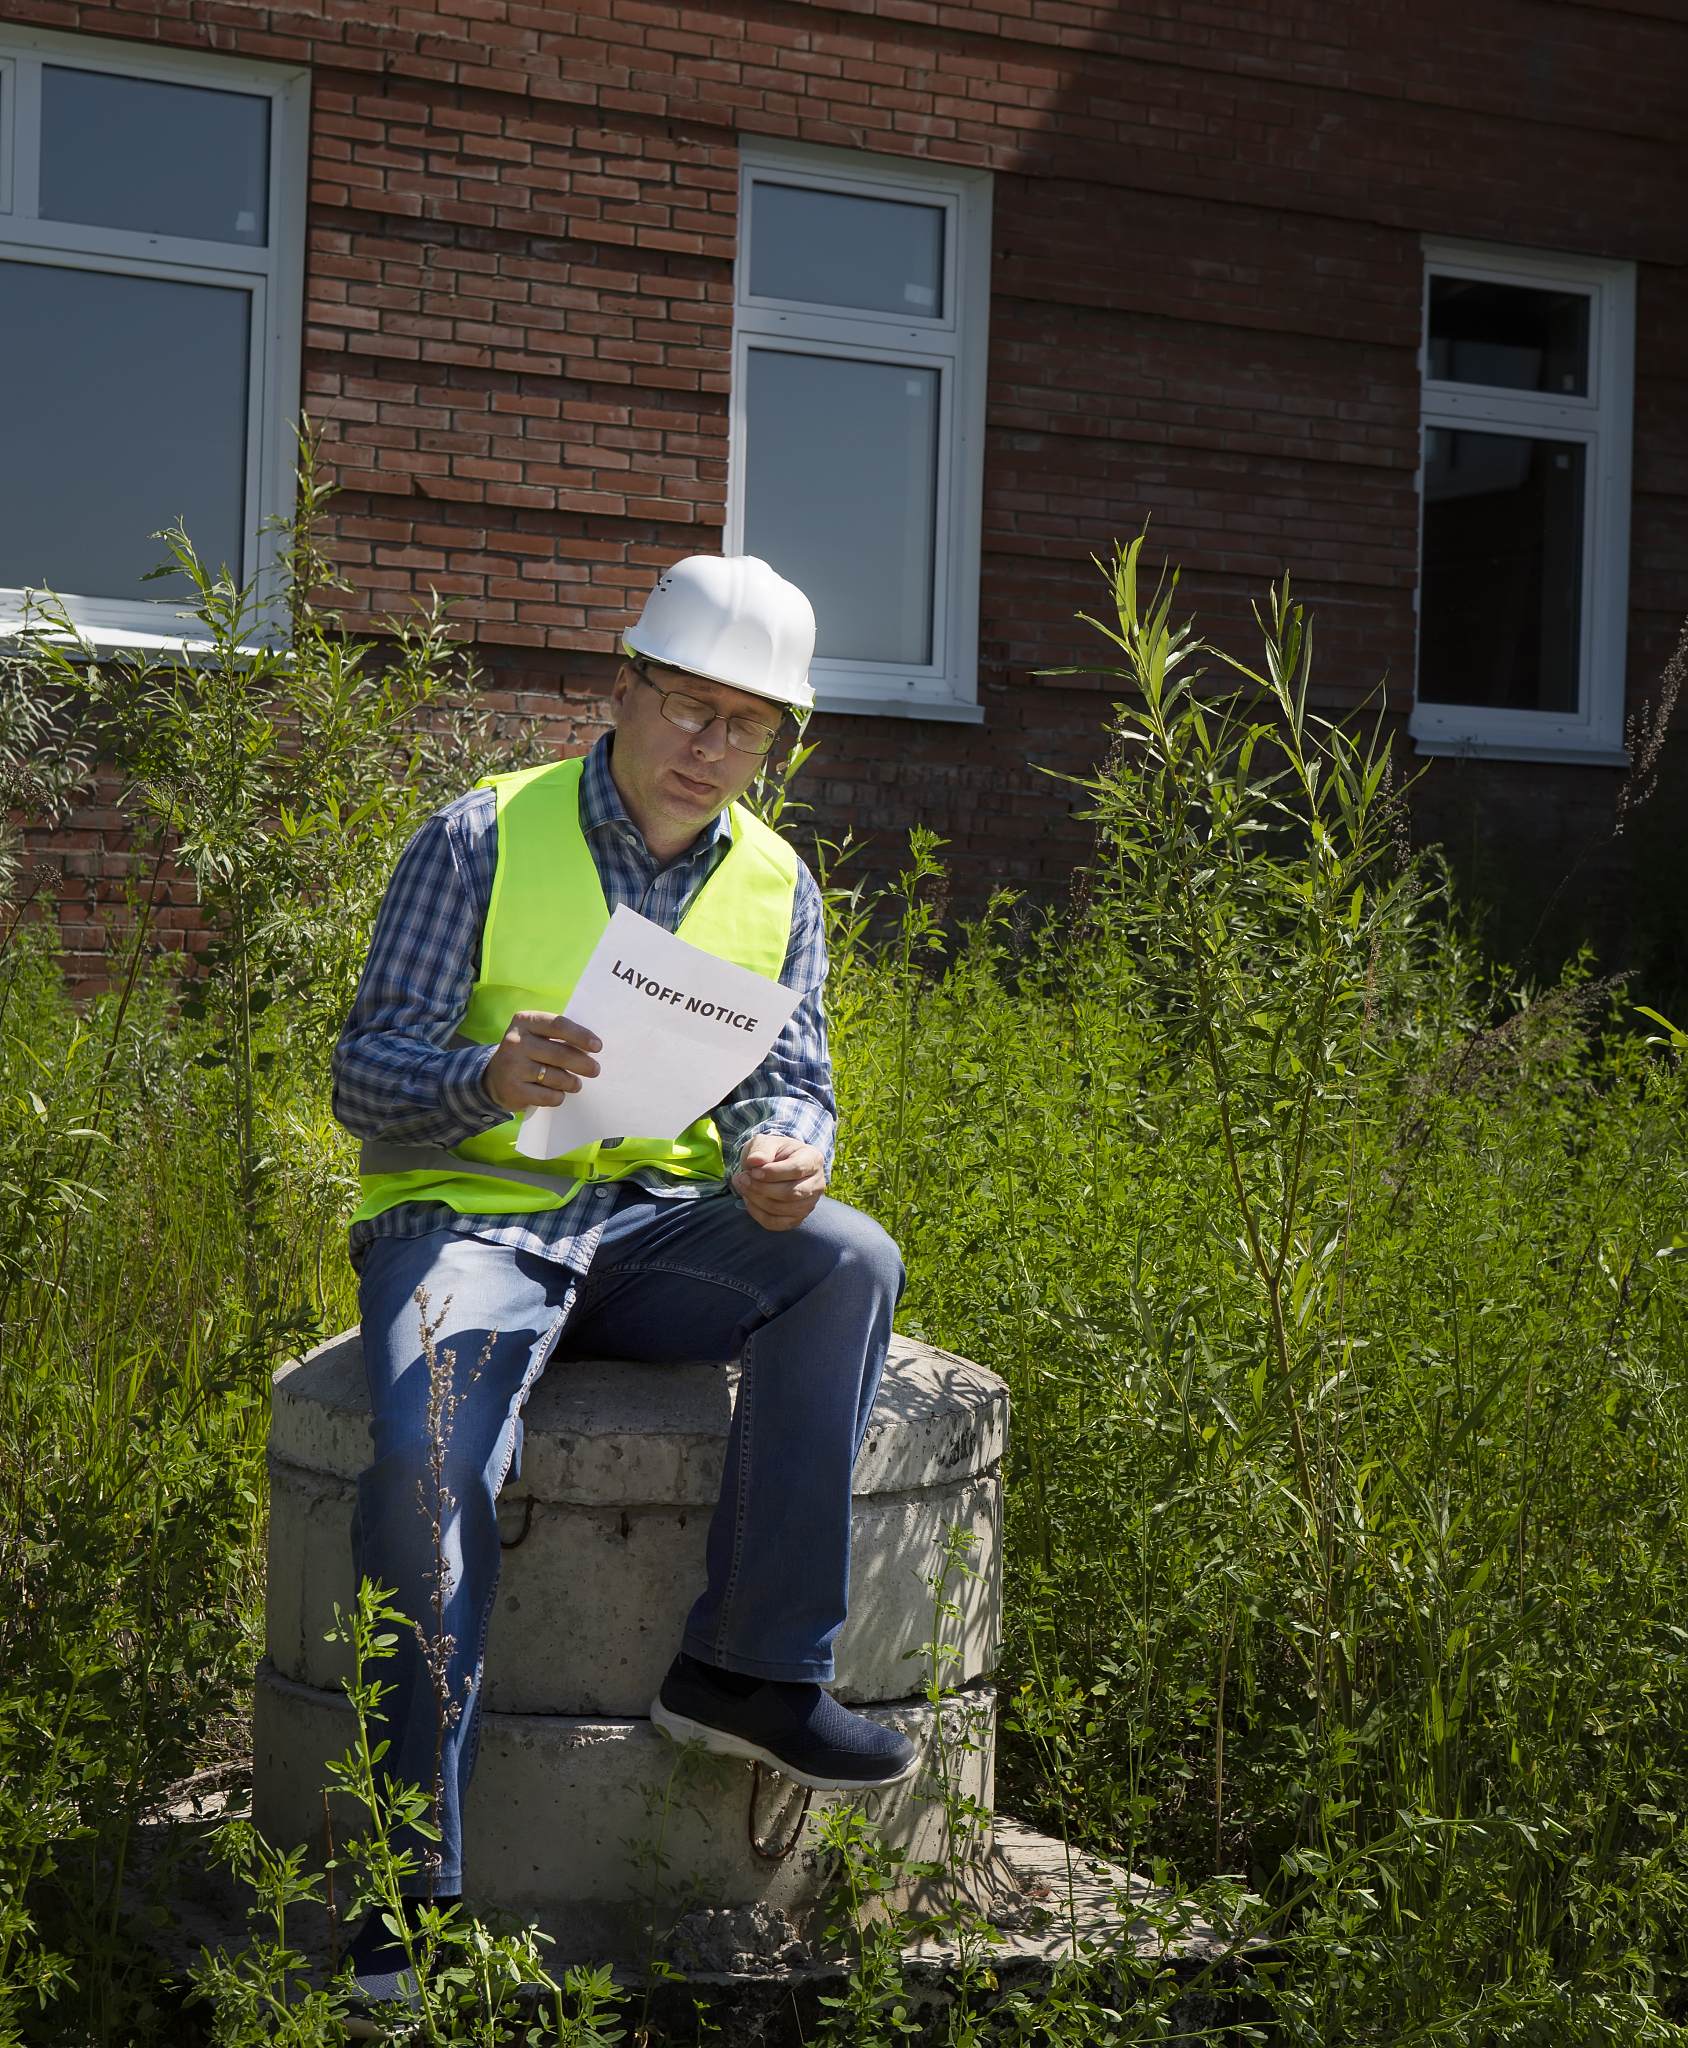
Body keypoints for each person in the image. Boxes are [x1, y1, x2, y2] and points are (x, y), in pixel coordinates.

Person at [330, 554, 913, 2000]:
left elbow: (793, 1083)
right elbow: (360, 1072)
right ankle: (410, 1892)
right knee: (422, 1469)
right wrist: (484, 1073)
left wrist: (788, 1154)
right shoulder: (480, 837)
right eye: (689, 708)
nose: (711, 748)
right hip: (467, 1230)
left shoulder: (777, 880)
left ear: (777, 738)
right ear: (626, 684)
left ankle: (753, 1672)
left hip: (646, 1224)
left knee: (846, 1257)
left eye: (748, 725)